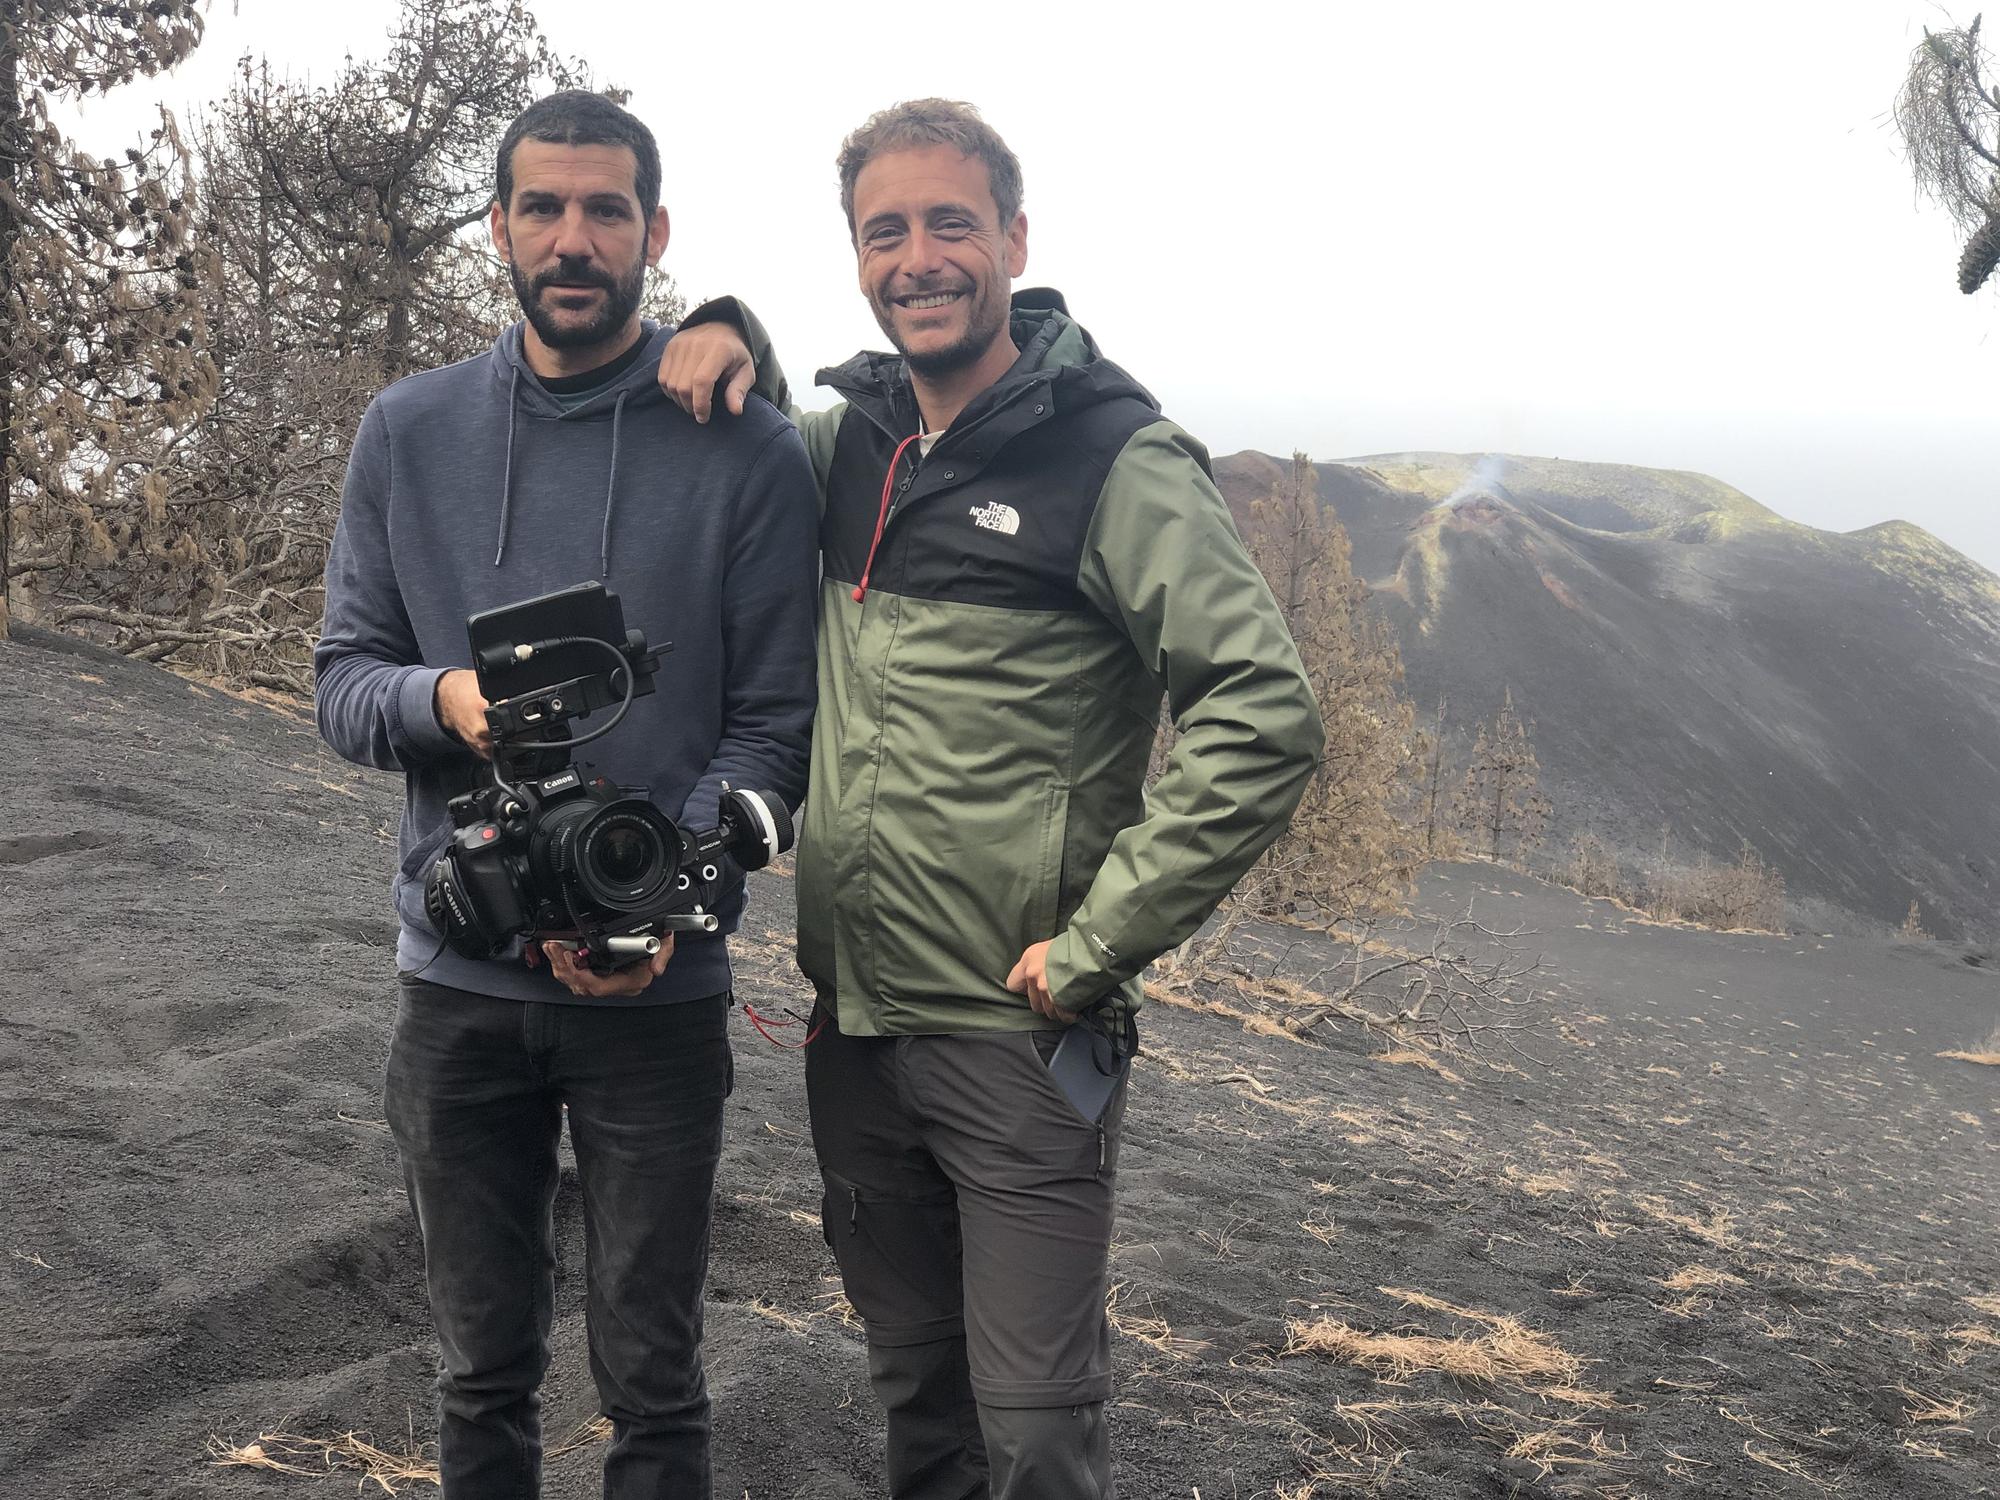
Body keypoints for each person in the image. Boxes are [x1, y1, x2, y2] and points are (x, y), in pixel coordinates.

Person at [658, 99, 1323, 1499]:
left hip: (1021, 1037)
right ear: (855, 257)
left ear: (1015, 237)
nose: (920, 258)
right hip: (857, 1036)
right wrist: (725, 321)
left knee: (1033, 1431)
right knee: (919, 1400)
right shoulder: (849, 450)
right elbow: (743, 419)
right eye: (882, 232)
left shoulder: (1115, 458)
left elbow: (1262, 712)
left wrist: (1099, 946)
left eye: (951, 222)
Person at [314, 90, 817, 1499]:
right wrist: (444, 705)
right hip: (458, 983)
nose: (574, 238)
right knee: (478, 1371)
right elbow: (343, 680)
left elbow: (777, 723)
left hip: (657, 998)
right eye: (543, 207)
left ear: (655, 233)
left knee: (655, 1384)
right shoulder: (407, 434)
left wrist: (676, 874)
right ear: (498, 230)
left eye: (607, 210)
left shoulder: (746, 447)